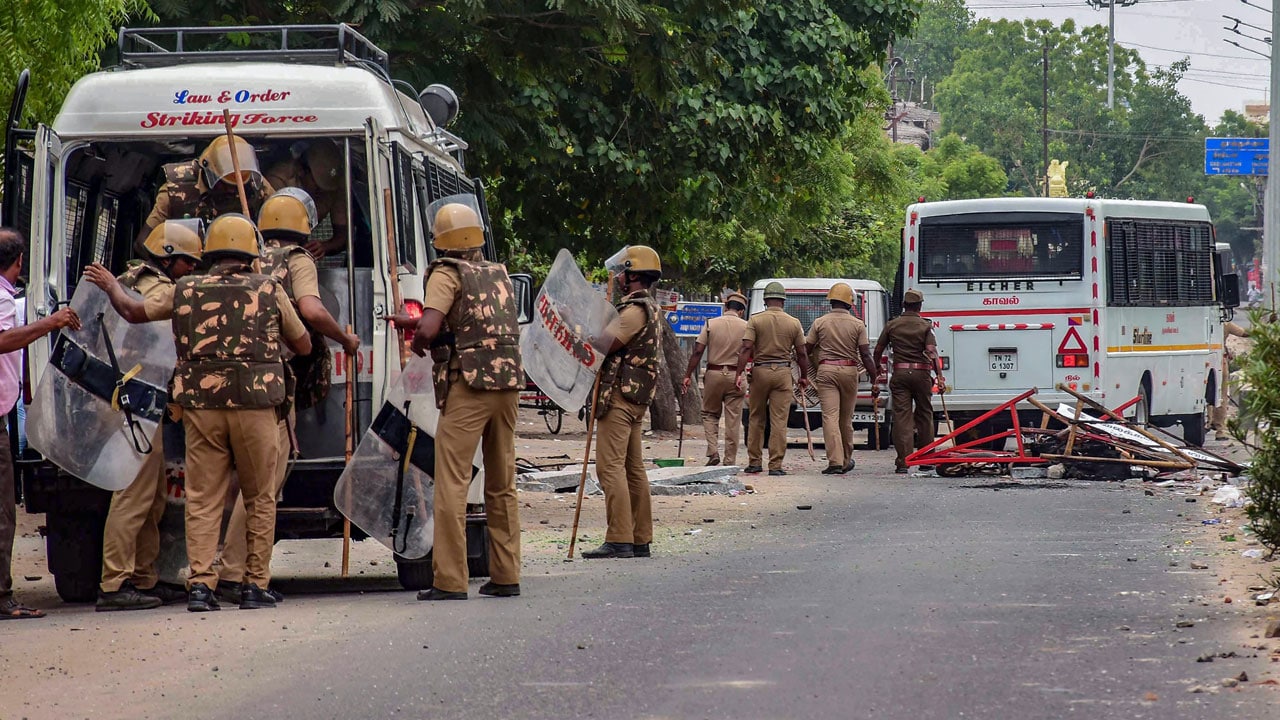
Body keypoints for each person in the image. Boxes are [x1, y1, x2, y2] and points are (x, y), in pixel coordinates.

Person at [86, 214, 310, 612]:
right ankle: (253, 585)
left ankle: (201, 587)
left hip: (202, 409)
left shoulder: (185, 289)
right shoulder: (269, 289)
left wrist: (110, 287)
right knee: (259, 497)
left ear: (212, 253)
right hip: (256, 408)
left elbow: (134, 312)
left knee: (203, 498)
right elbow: (304, 344)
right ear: (250, 253)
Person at [214, 189, 360, 604]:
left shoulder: (243, 254)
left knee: (223, 484)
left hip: (216, 385)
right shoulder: (298, 259)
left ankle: (207, 574)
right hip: (267, 384)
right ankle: (239, 574)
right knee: (262, 484)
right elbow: (311, 312)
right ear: (306, 225)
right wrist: (344, 339)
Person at [394, 201, 523, 599]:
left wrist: (416, 340)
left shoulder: (446, 273)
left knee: (451, 482)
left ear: (440, 240)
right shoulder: (496, 273)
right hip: (506, 385)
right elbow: (475, 321)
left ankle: (449, 580)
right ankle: (506, 575)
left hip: (468, 386)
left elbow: (432, 327)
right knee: (501, 483)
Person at [95, 220, 204, 612]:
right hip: (136, 398)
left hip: (130, 396)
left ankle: (144, 577)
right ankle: (115, 583)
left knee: (152, 494)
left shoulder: (133, 278)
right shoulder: (158, 288)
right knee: (133, 494)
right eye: (188, 264)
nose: (192, 271)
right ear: (169, 257)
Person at [0, 228, 81, 620]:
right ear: (18, 264)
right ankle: (2, 598)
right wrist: (52, 323)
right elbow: (3, 339)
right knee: (2, 512)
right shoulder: (2, 297)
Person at [581, 245, 664, 559]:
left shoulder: (634, 310)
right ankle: (639, 537)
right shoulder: (650, 308)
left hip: (620, 397)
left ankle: (619, 538)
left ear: (633, 276)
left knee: (609, 467)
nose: (618, 277)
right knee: (633, 469)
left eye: (623, 273)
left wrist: (581, 333)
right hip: (636, 397)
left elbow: (605, 344)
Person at [137, 136, 274, 243]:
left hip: (241, 269)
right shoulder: (176, 188)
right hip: (189, 271)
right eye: (225, 184)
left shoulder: (254, 183)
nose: (231, 191)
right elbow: (144, 242)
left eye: (236, 186)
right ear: (208, 173)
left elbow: (280, 220)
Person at [734, 281, 810, 476]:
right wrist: (804, 377)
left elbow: (746, 348)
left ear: (765, 301)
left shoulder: (755, 320)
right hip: (783, 374)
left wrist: (738, 373)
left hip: (760, 372)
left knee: (756, 418)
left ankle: (754, 462)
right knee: (779, 420)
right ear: (783, 301)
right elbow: (802, 353)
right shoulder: (794, 323)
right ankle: (775, 465)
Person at [805, 283, 879, 475]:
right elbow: (865, 354)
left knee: (830, 416)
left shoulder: (819, 322)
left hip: (826, 371)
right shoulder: (858, 324)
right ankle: (846, 459)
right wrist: (874, 378)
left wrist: (805, 372)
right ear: (849, 302)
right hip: (849, 371)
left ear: (831, 301)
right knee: (846, 419)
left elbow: (806, 349)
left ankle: (835, 461)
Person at [873, 289, 942, 474]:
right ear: (920, 305)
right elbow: (931, 352)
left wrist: (877, 369)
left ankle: (903, 462)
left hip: (900, 374)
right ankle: (926, 459)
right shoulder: (926, 326)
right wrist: (940, 376)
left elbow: (878, 350)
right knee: (925, 415)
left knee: (902, 417)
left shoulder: (892, 325)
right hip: (921, 375)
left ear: (904, 305)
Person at [681, 292, 748, 466]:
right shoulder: (747, 326)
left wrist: (688, 375)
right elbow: (749, 351)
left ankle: (712, 452)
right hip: (736, 375)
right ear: (741, 311)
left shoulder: (711, 323)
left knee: (710, 414)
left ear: (726, 307)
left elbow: (698, 351)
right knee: (733, 419)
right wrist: (740, 373)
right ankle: (729, 461)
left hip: (714, 374)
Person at [264, 140, 349, 259]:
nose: (322, 191)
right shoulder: (277, 180)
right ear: (301, 170)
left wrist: (325, 246)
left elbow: (344, 233)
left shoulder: (335, 184)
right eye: (317, 184)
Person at [1211, 320, 1250, 441]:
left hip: (1198, 359)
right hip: (1218, 360)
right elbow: (1244, 333)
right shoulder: (1223, 322)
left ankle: (1209, 420)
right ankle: (1220, 429)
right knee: (1221, 394)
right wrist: (1263, 326)